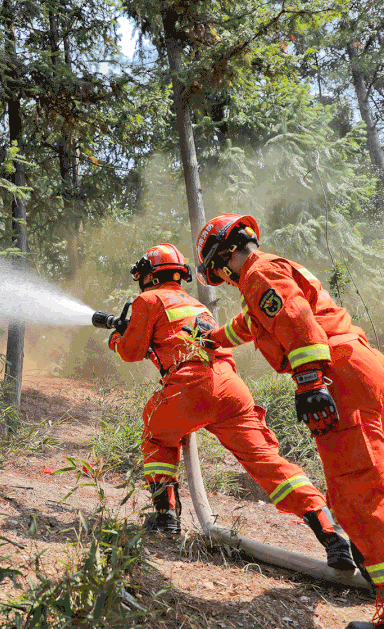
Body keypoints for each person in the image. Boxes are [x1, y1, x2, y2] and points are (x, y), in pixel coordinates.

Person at [193, 214, 384, 629]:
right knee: (352, 492)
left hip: (339, 375)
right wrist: (209, 338)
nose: (224, 279)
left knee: (362, 494)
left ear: (225, 255)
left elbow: (295, 319)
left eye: (219, 271)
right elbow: (253, 325)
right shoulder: (270, 273)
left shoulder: (258, 272)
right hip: (362, 368)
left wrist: (310, 380)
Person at [107, 242, 356, 572]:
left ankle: (166, 517)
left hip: (190, 387)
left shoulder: (149, 299)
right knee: (267, 461)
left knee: (157, 434)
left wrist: (116, 337)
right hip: (231, 389)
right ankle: (332, 534)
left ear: (149, 276)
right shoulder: (197, 305)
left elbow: (131, 351)